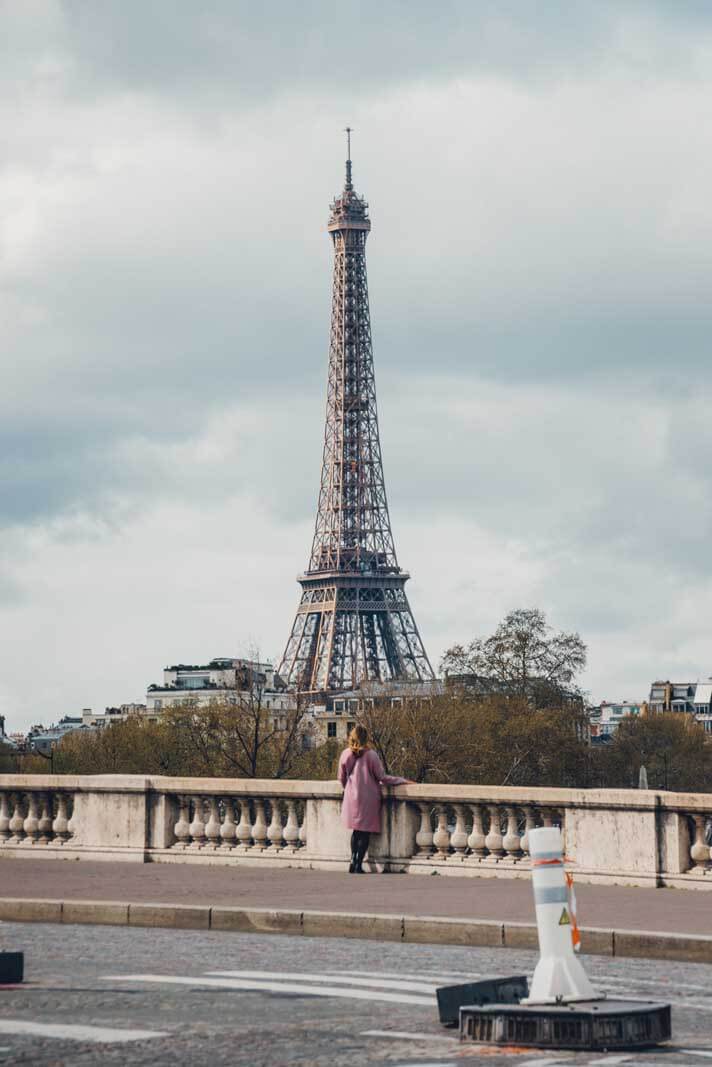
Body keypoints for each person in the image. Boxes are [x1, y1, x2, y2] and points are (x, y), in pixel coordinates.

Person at [337, 724, 409, 874]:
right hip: (368, 796)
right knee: (365, 832)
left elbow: (341, 778)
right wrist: (401, 780)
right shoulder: (371, 755)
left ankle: (352, 860)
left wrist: (348, 788)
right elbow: (382, 777)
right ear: (366, 738)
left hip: (351, 796)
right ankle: (358, 864)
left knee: (356, 831)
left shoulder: (345, 754)